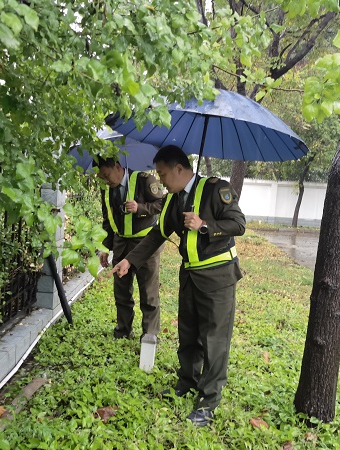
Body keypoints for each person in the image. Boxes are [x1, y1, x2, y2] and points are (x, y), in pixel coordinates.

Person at [111, 145, 246, 427]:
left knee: (214, 341)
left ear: (179, 169)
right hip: (190, 276)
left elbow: (238, 224)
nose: (160, 181)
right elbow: (157, 235)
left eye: (162, 174)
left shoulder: (216, 189)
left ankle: (208, 400)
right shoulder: (174, 200)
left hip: (218, 278)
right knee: (188, 334)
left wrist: (204, 224)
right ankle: (187, 381)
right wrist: (129, 261)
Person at [95, 157, 165, 339]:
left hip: (145, 244)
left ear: (117, 166)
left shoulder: (144, 180)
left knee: (148, 292)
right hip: (121, 244)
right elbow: (108, 219)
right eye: (102, 177)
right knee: (121, 290)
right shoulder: (106, 189)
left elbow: (162, 203)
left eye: (107, 175)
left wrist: (140, 207)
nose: (106, 180)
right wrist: (105, 247)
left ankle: (149, 334)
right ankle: (123, 330)